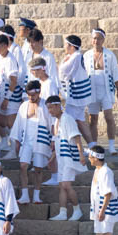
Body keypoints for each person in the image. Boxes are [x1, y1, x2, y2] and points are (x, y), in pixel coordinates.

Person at [11, 79, 52, 205]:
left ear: (38, 92)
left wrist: (53, 140)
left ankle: (36, 196)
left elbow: (52, 123)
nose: (30, 97)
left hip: (41, 138)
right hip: (26, 139)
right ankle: (24, 195)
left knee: (38, 168)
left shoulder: (46, 105)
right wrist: (17, 141)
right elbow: (18, 123)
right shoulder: (24, 106)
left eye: (33, 95)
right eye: (28, 94)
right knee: (23, 166)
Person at [47, 94, 86, 222]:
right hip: (61, 158)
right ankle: (62, 212)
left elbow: (77, 137)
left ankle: (77, 210)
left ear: (58, 106)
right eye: (48, 108)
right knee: (61, 186)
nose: (50, 111)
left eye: (52, 107)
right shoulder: (56, 121)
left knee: (66, 185)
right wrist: (52, 157)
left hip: (69, 157)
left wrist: (81, 154)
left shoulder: (68, 119)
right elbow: (58, 142)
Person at [84, 29, 118, 155]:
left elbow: (115, 74)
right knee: (93, 119)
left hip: (106, 90)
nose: (96, 41)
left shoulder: (109, 55)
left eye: (99, 38)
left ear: (103, 40)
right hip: (91, 90)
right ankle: (93, 145)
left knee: (109, 117)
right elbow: (83, 74)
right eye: (94, 38)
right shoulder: (86, 55)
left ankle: (111, 145)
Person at [88, 146, 118, 235]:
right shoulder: (97, 170)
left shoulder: (106, 171)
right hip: (97, 207)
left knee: (107, 234)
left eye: (91, 157)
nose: (89, 159)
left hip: (106, 207)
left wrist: (102, 211)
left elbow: (108, 193)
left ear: (96, 158)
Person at [60, 35, 93, 141]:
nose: (64, 47)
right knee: (80, 122)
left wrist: (62, 63)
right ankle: (92, 146)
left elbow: (63, 71)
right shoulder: (76, 56)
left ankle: (75, 148)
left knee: (70, 122)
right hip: (79, 97)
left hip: (76, 97)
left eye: (66, 45)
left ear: (72, 46)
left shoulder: (76, 57)